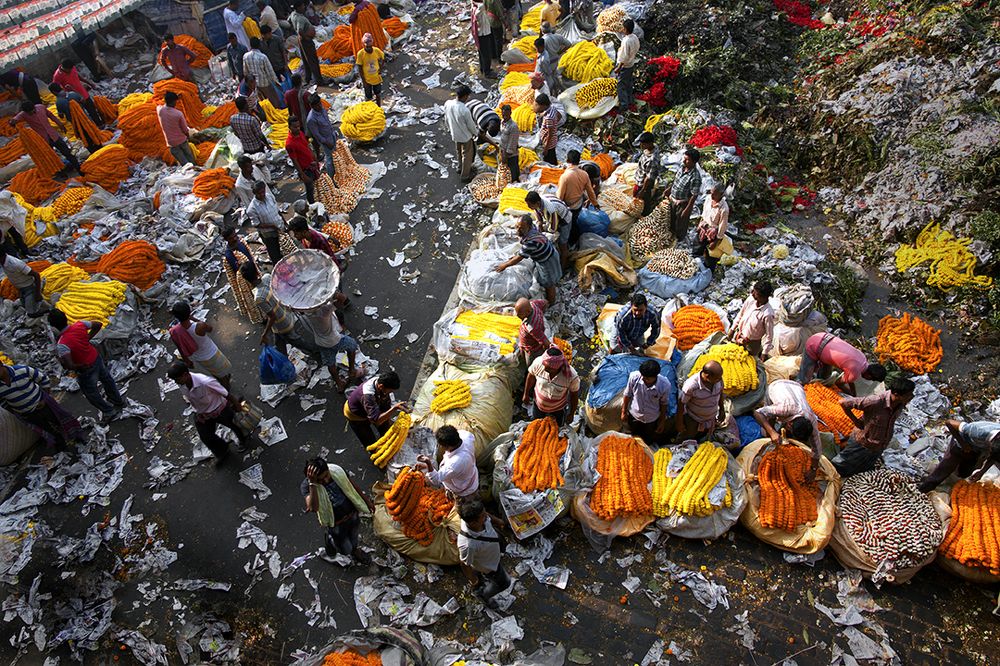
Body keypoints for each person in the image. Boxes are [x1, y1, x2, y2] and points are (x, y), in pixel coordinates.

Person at [48, 309, 125, 422]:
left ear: (54, 327)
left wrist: (75, 365)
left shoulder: (62, 344)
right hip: (96, 358)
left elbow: (70, 365)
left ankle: (109, 411)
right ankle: (117, 400)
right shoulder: (80, 324)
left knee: (91, 393)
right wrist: (88, 337)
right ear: (65, 318)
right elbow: (98, 324)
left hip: (86, 369)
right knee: (107, 380)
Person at [831, 378, 915, 478]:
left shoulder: (900, 404)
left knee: (861, 469)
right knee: (840, 465)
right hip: (863, 442)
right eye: (909, 395)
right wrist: (856, 421)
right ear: (897, 394)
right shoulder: (876, 401)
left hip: (879, 445)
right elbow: (844, 403)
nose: (912, 397)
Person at [167, 362, 249, 462]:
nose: (176, 382)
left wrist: (236, 405)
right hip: (203, 414)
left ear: (185, 374)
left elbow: (226, 393)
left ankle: (243, 440)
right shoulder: (182, 384)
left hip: (220, 410)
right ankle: (222, 450)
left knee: (235, 425)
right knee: (205, 435)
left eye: (177, 379)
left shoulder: (205, 382)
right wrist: (198, 413)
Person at [302, 457, 374, 564]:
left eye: (326, 475)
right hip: (336, 524)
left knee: (354, 537)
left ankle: (355, 551)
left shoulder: (337, 471)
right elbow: (313, 508)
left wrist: (367, 502)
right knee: (345, 549)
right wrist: (313, 484)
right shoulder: (308, 486)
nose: (325, 480)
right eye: (320, 480)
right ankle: (332, 541)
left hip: (352, 515)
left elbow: (352, 486)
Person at [0, 361, 83, 452]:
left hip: (43, 405)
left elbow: (44, 379)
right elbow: (3, 402)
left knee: (60, 421)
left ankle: (76, 437)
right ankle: (61, 446)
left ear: (1, 365)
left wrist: (44, 399)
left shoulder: (22, 370)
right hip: (28, 414)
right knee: (47, 429)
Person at [753, 380, 823, 473]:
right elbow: (757, 413)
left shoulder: (812, 420)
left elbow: (817, 448)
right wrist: (772, 432)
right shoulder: (783, 409)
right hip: (777, 385)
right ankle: (770, 436)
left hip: (797, 388)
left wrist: (813, 470)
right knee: (770, 422)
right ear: (789, 424)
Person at [240, 262, 305, 355]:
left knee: (295, 340)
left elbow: (272, 317)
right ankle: (282, 356)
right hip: (286, 312)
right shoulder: (267, 277)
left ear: (246, 280)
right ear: (257, 272)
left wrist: (264, 333)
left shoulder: (259, 298)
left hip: (282, 324)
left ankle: (313, 350)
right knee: (279, 342)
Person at [918, 420, 1000, 492]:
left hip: (976, 449)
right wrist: (963, 444)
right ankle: (924, 488)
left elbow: (994, 456)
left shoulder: (995, 446)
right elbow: (949, 422)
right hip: (960, 445)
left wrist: (981, 472)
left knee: (965, 472)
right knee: (944, 469)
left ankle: (956, 477)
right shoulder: (978, 430)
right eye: (991, 449)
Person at [457, 497, 511, 607]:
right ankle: (484, 596)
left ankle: (481, 583)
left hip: (492, 555)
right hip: (489, 567)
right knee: (504, 583)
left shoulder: (481, 519)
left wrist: (498, 521)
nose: (486, 516)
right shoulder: (468, 544)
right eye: (482, 516)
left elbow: (487, 516)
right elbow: (464, 563)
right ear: (473, 522)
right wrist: (474, 581)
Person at [495, 216, 561, 304]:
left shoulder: (530, 242)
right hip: (548, 253)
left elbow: (519, 258)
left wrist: (505, 265)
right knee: (549, 276)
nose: (518, 230)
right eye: (517, 226)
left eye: (522, 228)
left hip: (547, 261)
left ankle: (551, 302)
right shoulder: (532, 229)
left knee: (549, 284)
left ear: (529, 227)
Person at [169, 301, 233, 389]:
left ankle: (223, 382)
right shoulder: (199, 326)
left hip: (199, 358)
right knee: (222, 374)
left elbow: (180, 347)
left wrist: (187, 361)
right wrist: (193, 318)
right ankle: (226, 390)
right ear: (189, 312)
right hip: (212, 353)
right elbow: (210, 329)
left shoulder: (175, 331)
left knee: (214, 372)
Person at [798, 332, 887, 396]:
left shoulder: (863, 358)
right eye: (871, 379)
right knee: (804, 381)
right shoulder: (855, 372)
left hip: (824, 336)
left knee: (825, 376)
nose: (869, 380)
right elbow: (838, 383)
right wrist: (851, 395)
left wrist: (854, 393)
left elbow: (850, 379)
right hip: (814, 345)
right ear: (870, 376)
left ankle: (815, 376)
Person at [301, 301, 362, 390]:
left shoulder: (306, 314)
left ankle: (339, 384)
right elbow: (341, 301)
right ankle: (351, 370)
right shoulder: (323, 311)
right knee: (352, 345)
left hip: (320, 342)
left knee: (331, 363)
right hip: (334, 339)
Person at [10, 101, 80, 173]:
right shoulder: (23, 114)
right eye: (29, 113)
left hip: (53, 135)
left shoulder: (40, 107)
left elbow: (51, 115)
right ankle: (61, 171)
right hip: (43, 139)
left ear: (34, 108)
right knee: (51, 157)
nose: (31, 113)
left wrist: (60, 124)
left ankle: (78, 166)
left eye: (32, 111)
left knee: (67, 152)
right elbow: (14, 120)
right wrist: (13, 122)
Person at [345, 371, 409, 447]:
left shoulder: (379, 382)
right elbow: (377, 421)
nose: (390, 393)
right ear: (381, 386)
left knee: (386, 430)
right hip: (357, 417)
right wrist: (394, 408)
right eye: (390, 391)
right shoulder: (368, 396)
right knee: (372, 443)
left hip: (372, 408)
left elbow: (385, 406)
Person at [418, 425, 479, 499]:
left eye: (441, 445)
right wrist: (426, 467)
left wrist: (427, 462)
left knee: (464, 508)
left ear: (447, 447)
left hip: (464, 489)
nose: (440, 447)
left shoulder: (456, 463)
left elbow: (436, 479)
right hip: (469, 475)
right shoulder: (465, 436)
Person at [523, 347, 579, 425]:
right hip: (538, 405)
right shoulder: (539, 362)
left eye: (548, 368)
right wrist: (526, 394)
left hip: (558, 408)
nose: (544, 368)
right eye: (544, 365)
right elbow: (531, 376)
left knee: (556, 427)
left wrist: (571, 413)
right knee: (537, 425)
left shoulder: (571, 377)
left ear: (556, 367)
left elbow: (574, 396)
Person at [622, 360, 670, 445]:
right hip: (635, 415)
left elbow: (664, 403)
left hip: (651, 418)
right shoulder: (634, 377)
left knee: (647, 440)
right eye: (643, 376)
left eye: (647, 378)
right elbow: (627, 394)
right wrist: (623, 411)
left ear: (655, 377)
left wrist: (662, 421)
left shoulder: (664, 385)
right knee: (631, 439)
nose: (644, 379)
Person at [677, 360, 724, 441]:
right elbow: (681, 403)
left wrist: (722, 409)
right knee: (687, 437)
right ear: (707, 376)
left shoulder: (718, 380)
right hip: (693, 419)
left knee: (703, 437)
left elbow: (720, 393)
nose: (719, 380)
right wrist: (679, 423)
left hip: (710, 418)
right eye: (717, 378)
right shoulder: (691, 386)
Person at [524, 191, 571, 270]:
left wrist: (545, 236)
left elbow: (553, 228)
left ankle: (563, 266)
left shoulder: (550, 209)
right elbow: (536, 211)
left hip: (564, 220)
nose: (529, 207)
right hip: (555, 217)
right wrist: (540, 222)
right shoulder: (538, 202)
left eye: (530, 205)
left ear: (538, 203)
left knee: (563, 244)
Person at [730, 280, 775, 359]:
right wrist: (732, 329)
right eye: (753, 291)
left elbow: (769, 335)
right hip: (739, 336)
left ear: (763, 296)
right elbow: (740, 314)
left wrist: (764, 353)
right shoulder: (750, 300)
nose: (752, 294)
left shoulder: (767, 314)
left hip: (751, 345)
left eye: (756, 293)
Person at [444, 85, 479, 183]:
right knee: (467, 156)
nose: (468, 98)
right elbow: (471, 126)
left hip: (455, 134)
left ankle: (460, 168)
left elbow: (446, 118)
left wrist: (449, 129)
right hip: (465, 137)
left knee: (459, 151)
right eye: (467, 96)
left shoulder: (448, 103)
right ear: (464, 96)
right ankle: (465, 175)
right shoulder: (464, 110)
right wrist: (476, 133)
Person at [557, 150, 598, 230]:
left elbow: (560, 196)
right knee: (575, 222)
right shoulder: (584, 174)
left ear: (567, 160)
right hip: (578, 205)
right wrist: (595, 204)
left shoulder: (565, 177)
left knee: (567, 227)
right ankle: (575, 236)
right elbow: (590, 191)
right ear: (579, 161)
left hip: (568, 207)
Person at [51, 59, 102, 125]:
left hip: (83, 92)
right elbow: (57, 89)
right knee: (82, 115)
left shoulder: (72, 68)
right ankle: (91, 128)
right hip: (74, 98)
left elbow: (78, 76)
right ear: (64, 68)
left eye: (71, 69)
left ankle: (99, 124)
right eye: (68, 70)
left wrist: (90, 83)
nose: (70, 71)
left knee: (92, 110)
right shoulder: (57, 76)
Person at [667, 148, 702, 243]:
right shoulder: (682, 167)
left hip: (682, 204)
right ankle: (669, 238)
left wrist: (687, 210)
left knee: (680, 225)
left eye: (687, 160)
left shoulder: (695, 177)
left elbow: (694, 196)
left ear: (694, 162)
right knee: (670, 221)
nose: (684, 161)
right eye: (684, 158)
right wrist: (669, 190)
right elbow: (676, 181)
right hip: (672, 200)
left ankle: (678, 242)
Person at [246, 180, 286, 263]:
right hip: (269, 234)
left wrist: (284, 222)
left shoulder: (269, 196)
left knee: (286, 246)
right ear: (255, 193)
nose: (262, 194)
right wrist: (272, 226)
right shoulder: (252, 208)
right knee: (275, 254)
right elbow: (257, 224)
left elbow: (277, 210)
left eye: (263, 191)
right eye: (259, 193)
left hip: (280, 226)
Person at [695, 184, 731, 270]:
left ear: (721, 195)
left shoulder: (724, 209)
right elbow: (704, 214)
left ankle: (708, 272)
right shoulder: (708, 199)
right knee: (696, 250)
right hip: (703, 229)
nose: (711, 195)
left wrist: (715, 242)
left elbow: (722, 226)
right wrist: (699, 225)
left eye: (714, 194)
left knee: (710, 258)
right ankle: (694, 266)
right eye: (711, 192)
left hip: (713, 234)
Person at [1, 248, 46, 317]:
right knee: (25, 306)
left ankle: (46, 311)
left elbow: (36, 275)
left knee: (31, 313)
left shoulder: (15, 263)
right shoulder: (3, 262)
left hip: (30, 288)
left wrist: (37, 294)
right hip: (21, 289)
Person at [285, 116, 320, 202]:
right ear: (289, 127)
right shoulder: (289, 144)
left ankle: (319, 199)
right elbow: (294, 160)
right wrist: (303, 175)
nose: (297, 128)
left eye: (298, 126)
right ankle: (312, 205)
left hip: (312, 164)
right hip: (305, 169)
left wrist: (315, 158)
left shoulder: (300, 133)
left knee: (317, 184)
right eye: (295, 127)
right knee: (310, 188)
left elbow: (307, 146)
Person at [156, 91, 195, 166]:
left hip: (171, 144)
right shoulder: (178, 114)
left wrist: (174, 96)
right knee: (190, 159)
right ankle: (196, 171)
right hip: (182, 141)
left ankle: (190, 173)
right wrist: (188, 136)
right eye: (175, 101)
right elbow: (185, 130)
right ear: (173, 101)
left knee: (184, 164)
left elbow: (160, 105)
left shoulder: (160, 110)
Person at [306, 93, 337, 179]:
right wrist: (326, 142)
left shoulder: (322, 109)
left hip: (331, 135)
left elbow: (327, 122)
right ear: (312, 106)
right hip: (326, 140)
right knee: (329, 159)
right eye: (317, 105)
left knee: (336, 156)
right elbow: (317, 135)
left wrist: (333, 133)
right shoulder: (311, 119)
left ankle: (338, 174)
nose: (320, 106)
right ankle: (331, 178)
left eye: (320, 103)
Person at [244, 38, 281, 108]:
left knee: (262, 102)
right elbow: (270, 72)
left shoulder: (245, 56)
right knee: (273, 101)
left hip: (254, 84)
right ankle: (277, 114)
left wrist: (250, 84)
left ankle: (267, 114)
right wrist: (276, 82)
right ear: (259, 45)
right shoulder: (263, 57)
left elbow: (246, 72)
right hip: (265, 83)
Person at [515, 297, 550, 367]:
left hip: (532, 349)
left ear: (528, 312)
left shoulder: (533, 327)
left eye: (520, 314)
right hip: (525, 345)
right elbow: (544, 302)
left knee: (531, 365)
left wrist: (549, 350)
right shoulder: (533, 305)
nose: (517, 315)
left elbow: (544, 341)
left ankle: (530, 373)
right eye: (517, 312)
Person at [632, 132, 660, 215]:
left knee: (643, 201)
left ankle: (644, 216)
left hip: (644, 184)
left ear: (650, 143)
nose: (641, 146)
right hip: (639, 178)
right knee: (637, 199)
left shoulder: (652, 159)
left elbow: (648, 177)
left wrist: (643, 190)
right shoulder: (651, 147)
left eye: (644, 144)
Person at [614, 18, 639, 110]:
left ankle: (624, 106)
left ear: (626, 29)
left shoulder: (626, 41)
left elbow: (623, 57)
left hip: (624, 66)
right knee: (628, 83)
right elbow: (637, 48)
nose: (622, 30)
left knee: (620, 85)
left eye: (623, 28)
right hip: (631, 64)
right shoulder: (635, 37)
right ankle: (631, 100)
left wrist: (618, 68)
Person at [355, 33, 385, 107]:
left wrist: (380, 68)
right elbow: (360, 67)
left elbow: (383, 58)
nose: (368, 49)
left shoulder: (376, 51)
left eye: (370, 46)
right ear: (363, 45)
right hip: (367, 79)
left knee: (378, 94)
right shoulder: (360, 54)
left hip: (376, 78)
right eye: (367, 47)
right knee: (368, 97)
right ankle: (369, 110)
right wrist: (364, 80)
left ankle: (379, 108)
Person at [259, 25, 289, 95]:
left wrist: (285, 64)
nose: (270, 35)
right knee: (278, 85)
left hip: (280, 65)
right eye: (268, 34)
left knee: (288, 81)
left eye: (270, 33)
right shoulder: (260, 43)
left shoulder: (277, 39)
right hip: (271, 68)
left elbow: (283, 52)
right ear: (263, 35)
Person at [471, 0, 496, 79]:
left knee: (481, 53)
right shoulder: (480, 7)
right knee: (486, 54)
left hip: (481, 32)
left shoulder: (474, 5)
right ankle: (487, 72)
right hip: (483, 33)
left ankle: (483, 68)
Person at [534, 94, 561, 165]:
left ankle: (554, 171)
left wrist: (546, 148)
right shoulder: (552, 108)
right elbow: (559, 116)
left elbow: (550, 134)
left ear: (543, 106)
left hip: (549, 143)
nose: (536, 107)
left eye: (537, 105)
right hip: (552, 141)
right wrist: (554, 124)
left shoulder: (549, 118)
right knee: (552, 157)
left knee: (549, 161)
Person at [496, 104, 520, 181]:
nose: (505, 116)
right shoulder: (502, 122)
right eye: (503, 114)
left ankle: (514, 182)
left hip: (511, 153)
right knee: (505, 171)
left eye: (507, 114)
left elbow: (512, 142)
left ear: (510, 113)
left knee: (512, 170)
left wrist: (506, 155)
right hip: (503, 150)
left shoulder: (513, 126)